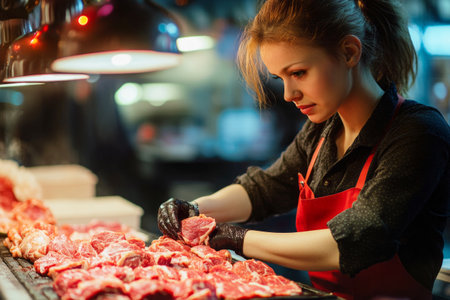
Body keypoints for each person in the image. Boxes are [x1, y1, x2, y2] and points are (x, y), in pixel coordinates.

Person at [157, 0, 450, 299]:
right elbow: (265, 189)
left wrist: (236, 238)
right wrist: (195, 210)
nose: (288, 94)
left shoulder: (417, 132)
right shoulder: (321, 130)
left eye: (298, 73)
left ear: (349, 52)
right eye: (280, 78)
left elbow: (358, 239)